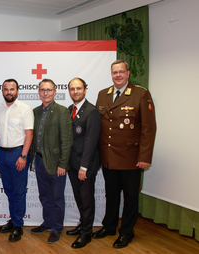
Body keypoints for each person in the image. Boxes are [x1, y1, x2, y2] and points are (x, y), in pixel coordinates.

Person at [93, 60, 157, 248]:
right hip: (109, 156)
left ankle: (127, 232)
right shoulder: (103, 94)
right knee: (111, 194)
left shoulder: (140, 94)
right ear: (111, 74)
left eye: (121, 72)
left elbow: (148, 128)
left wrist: (144, 157)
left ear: (128, 73)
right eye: (114, 72)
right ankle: (109, 226)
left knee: (130, 197)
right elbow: (100, 127)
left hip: (131, 158)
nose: (118, 75)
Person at [29, 78, 73, 244]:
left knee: (57, 198)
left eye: (48, 90)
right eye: (42, 90)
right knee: (44, 196)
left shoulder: (62, 111)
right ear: (39, 92)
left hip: (56, 164)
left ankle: (56, 228)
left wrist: (63, 164)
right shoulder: (35, 112)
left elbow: (67, 141)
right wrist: (33, 161)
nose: (45, 93)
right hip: (39, 161)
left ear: (55, 92)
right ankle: (47, 223)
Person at [0, 79, 34, 242]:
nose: (9, 92)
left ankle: (18, 225)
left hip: (18, 153)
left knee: (19, 191)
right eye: (6, 89)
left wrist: (23, 156)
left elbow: (29, 134)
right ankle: (13, 219)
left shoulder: (25, 109)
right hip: (2, 153)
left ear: (17, 91)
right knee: (9, 190)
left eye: (12, 89)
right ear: (2, 91)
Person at [65, 78, 101, 248]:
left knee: (86, 199)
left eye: (78, 88)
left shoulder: (91, 111)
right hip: (72, 164)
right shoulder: (70, 109)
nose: (75, 92)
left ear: (85, 90)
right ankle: (82, 224)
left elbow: (91, 142)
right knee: (79, 197)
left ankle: (86, 233)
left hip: (85, 165)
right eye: (72, 89)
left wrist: (84, 167)